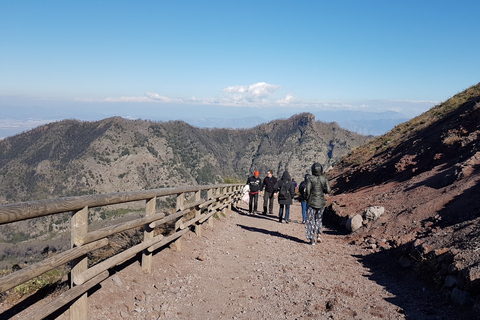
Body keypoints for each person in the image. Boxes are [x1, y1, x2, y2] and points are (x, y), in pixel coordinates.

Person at [305, 163, 331, 245]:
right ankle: (319, 235)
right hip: (321, 203)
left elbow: (308, 190)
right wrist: (322, 190)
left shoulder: (310, 178)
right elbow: (328, 190)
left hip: (311, 202)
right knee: (319, 219)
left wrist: (307, 198)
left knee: (310, 220)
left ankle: (312, 238)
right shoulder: (324, 179)